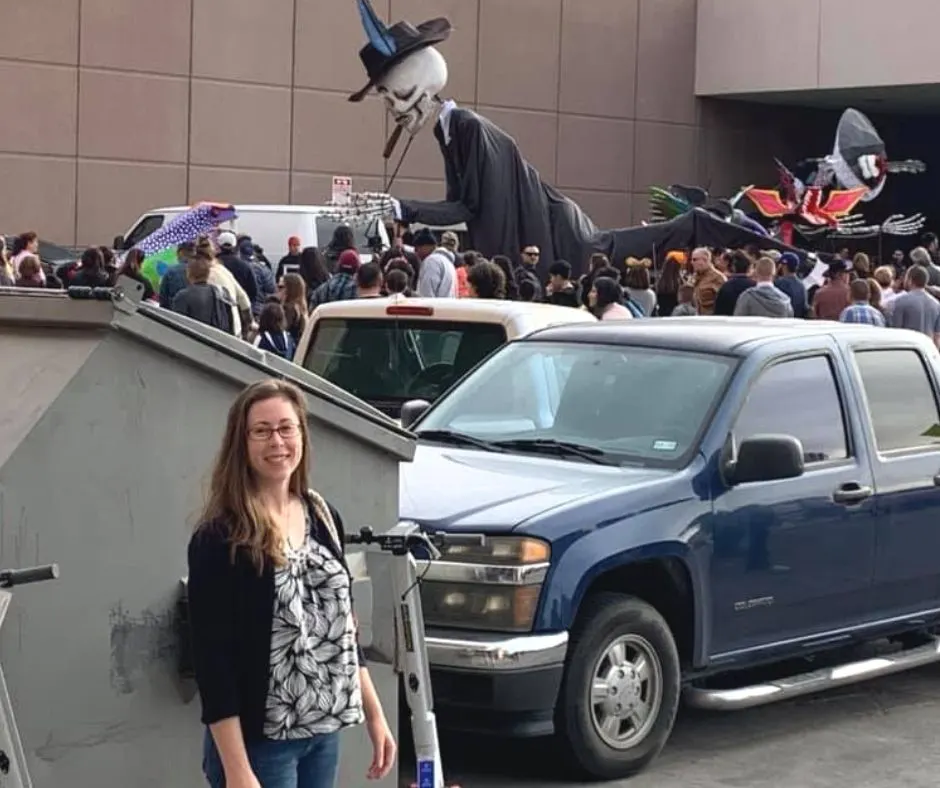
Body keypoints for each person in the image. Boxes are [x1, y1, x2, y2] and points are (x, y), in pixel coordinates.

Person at [187, 379, 396, 788]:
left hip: (323, 733)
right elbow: (212, 661)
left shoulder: (323, 515)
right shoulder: (221, 537)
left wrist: (375, 714)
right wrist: (237, 769)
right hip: (260, 746)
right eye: (261, 431)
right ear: (241, 443)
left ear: (302, 434)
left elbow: (343, 630)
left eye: (286, 428)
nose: (276, 441)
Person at [888, 265, 940, 346]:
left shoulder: (901, 301)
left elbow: (896, 332)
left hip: (908, 349)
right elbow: (937, 337)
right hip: (927, 350)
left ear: (910, 280)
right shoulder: (936, 304)